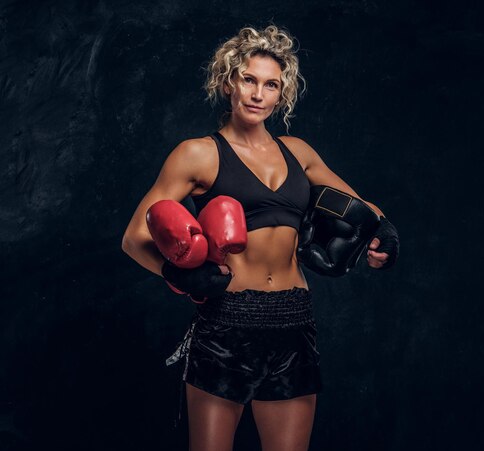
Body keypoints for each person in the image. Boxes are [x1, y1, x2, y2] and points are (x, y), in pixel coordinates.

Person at [121, 25, 399, 451]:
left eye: (271, 85)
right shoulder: (198, 153)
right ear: (229, 80)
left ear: (281, 94)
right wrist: (176, 273)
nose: (257, 94)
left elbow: (365, 211)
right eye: (248, 79)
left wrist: (387, 236)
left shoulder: (298, 152)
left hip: (293, 319)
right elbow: (134, 236)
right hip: (227, 321)